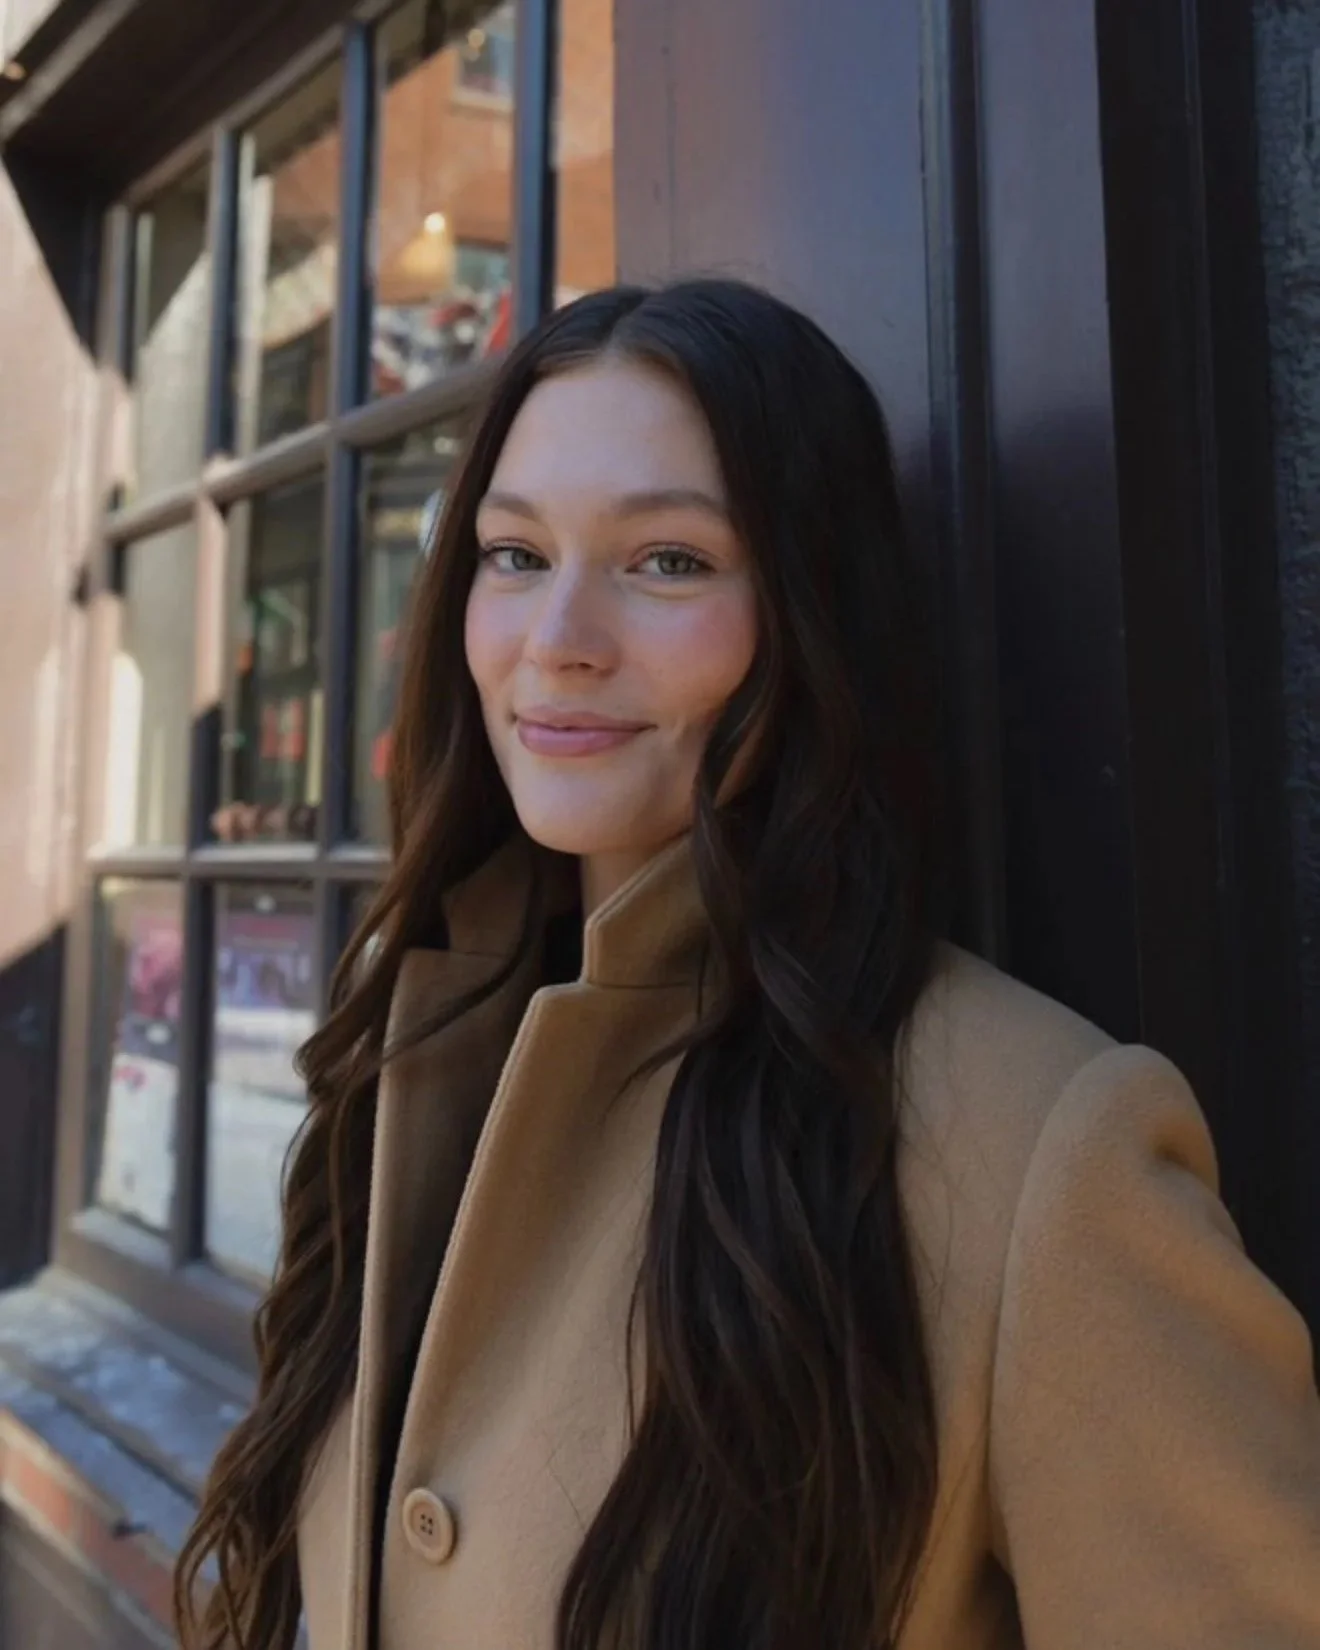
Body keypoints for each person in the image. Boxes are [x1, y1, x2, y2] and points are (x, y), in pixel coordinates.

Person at [175, 280, 1320, 1650]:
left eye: (668, 561)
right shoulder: (419, 1052)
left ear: (809, 607)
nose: (557, 641)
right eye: (514, 553)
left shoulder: (1040, 1147)